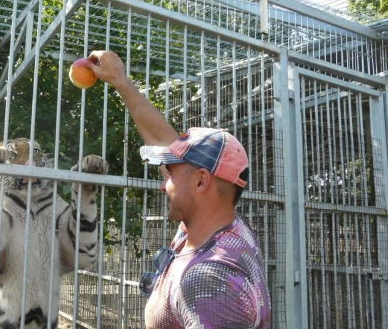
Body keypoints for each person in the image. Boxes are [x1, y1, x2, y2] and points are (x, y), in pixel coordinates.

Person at [86, 51, 272, 328]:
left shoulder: (209, 279)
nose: (163, 185)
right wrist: (119, 81)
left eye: (169, 173)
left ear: (200, 181)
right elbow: (163, 139)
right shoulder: (219, 227)